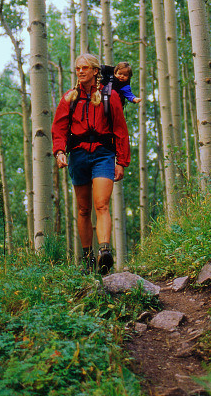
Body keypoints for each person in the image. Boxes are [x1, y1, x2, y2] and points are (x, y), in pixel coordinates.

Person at [51, 53, 131, 275]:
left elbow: (120, 131)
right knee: (84, 209)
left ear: (96, 71)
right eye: (77, 68)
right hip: (78, 156)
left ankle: (105, 251)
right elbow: (58, 128)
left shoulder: (110, 97)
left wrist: (121, 162)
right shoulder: (69, 98)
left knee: (101, 204)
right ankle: (87, 257)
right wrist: (59, 151)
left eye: (85, 68)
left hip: (103, 155)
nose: (80, 72)